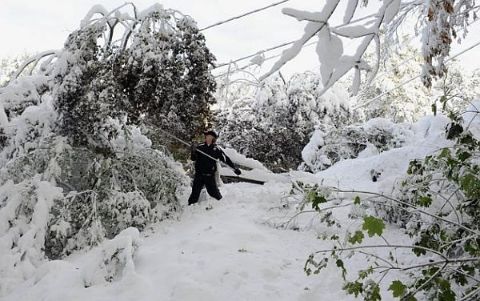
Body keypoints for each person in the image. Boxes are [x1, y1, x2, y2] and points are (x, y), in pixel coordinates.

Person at [187, 130, 241, 205]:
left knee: (214, 193)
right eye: (207, 137)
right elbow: (193, 158)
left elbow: (225, 159)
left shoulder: (216, 149)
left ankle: (222, 206)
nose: (208, 138)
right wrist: (193, 151)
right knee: (194, 194)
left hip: (209, 176)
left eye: (210, 137)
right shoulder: (200, 147)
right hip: (199, 175)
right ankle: (190, 207)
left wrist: (234, 169)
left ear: (213, 139)